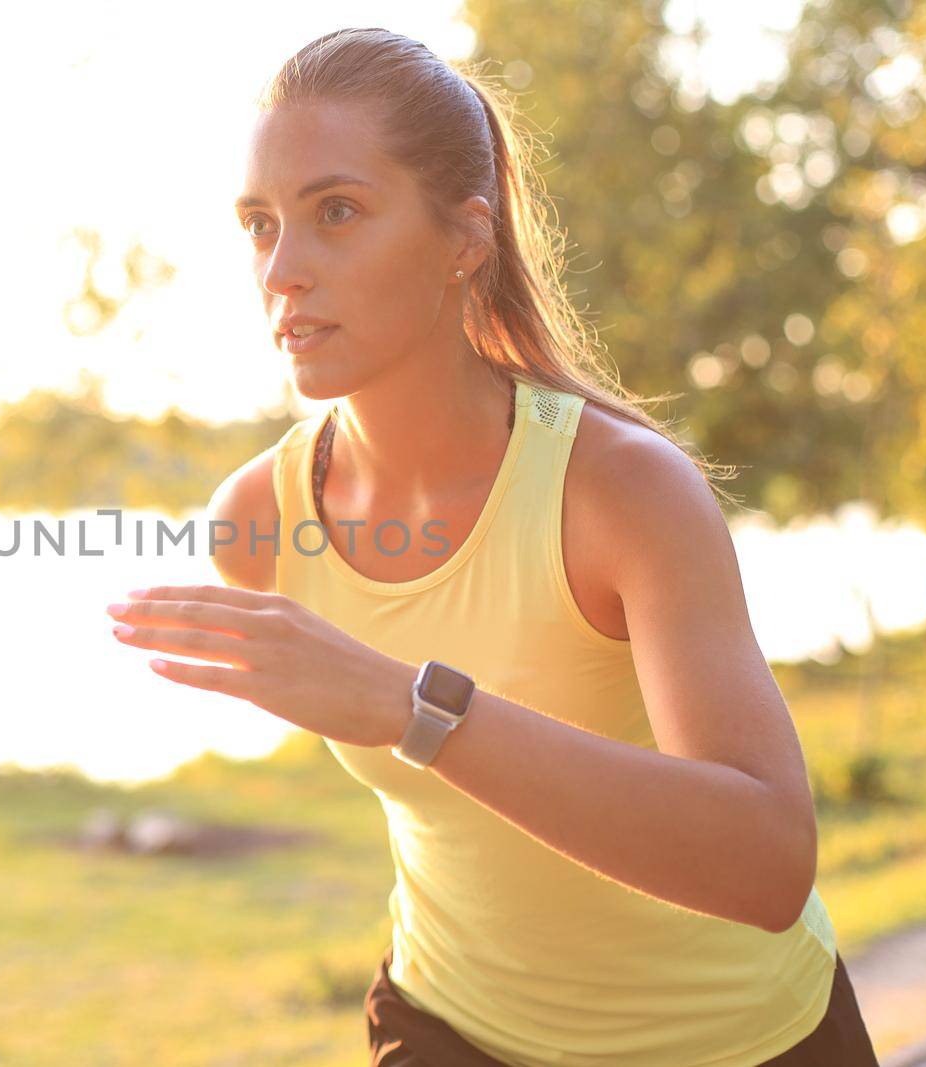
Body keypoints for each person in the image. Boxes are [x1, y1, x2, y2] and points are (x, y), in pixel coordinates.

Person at [102, 27, 881, 1067]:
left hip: (738, 1042)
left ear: (463, 237)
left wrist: (407, 704)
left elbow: (766, 860)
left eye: (336, 212)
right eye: (259, 225)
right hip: (450, 1028)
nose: (282, 270)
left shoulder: (620, 490)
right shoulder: (256, 522)